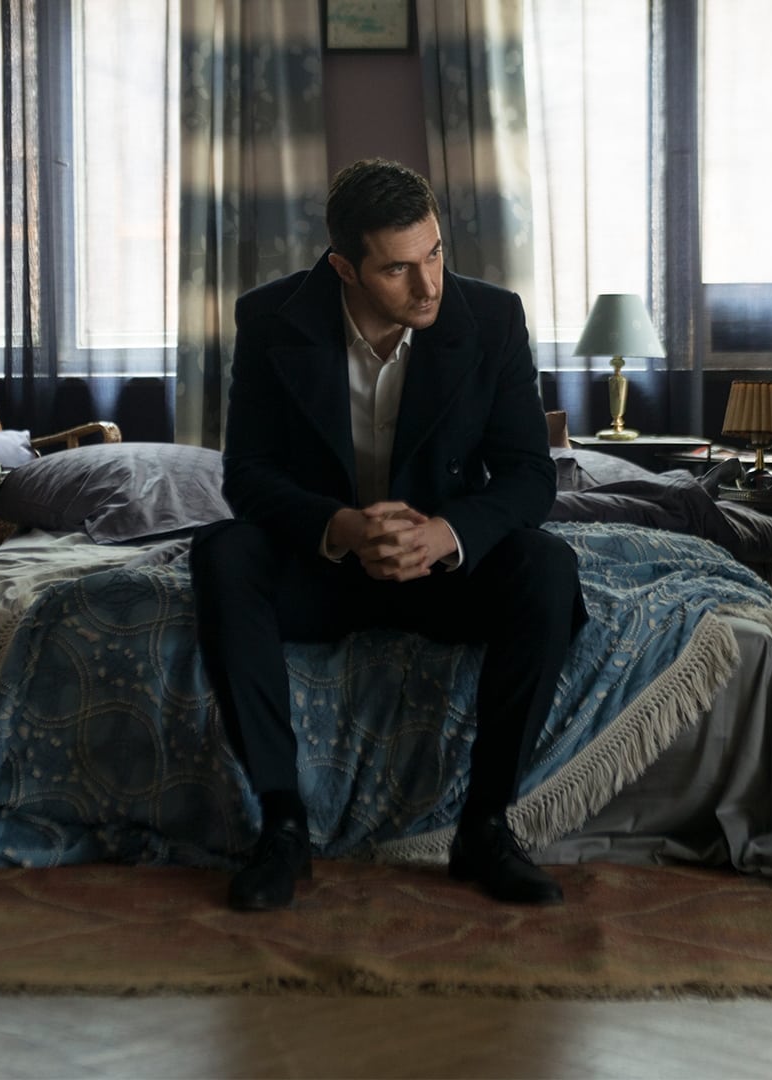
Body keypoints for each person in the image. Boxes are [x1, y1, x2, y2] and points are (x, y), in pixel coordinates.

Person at [189, 158, 586, 912]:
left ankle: (485, 828)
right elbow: (248, 474)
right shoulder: (270, 318)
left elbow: (529, 475)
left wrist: (446, 533)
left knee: (547, 565)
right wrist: (339, 525)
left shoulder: (492, 317)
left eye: (434, 254)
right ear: (344, 266)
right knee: (222, 551)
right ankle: (282, 828)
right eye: (398, 269)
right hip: (325, 569)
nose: (428, 284)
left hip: (442, 574)